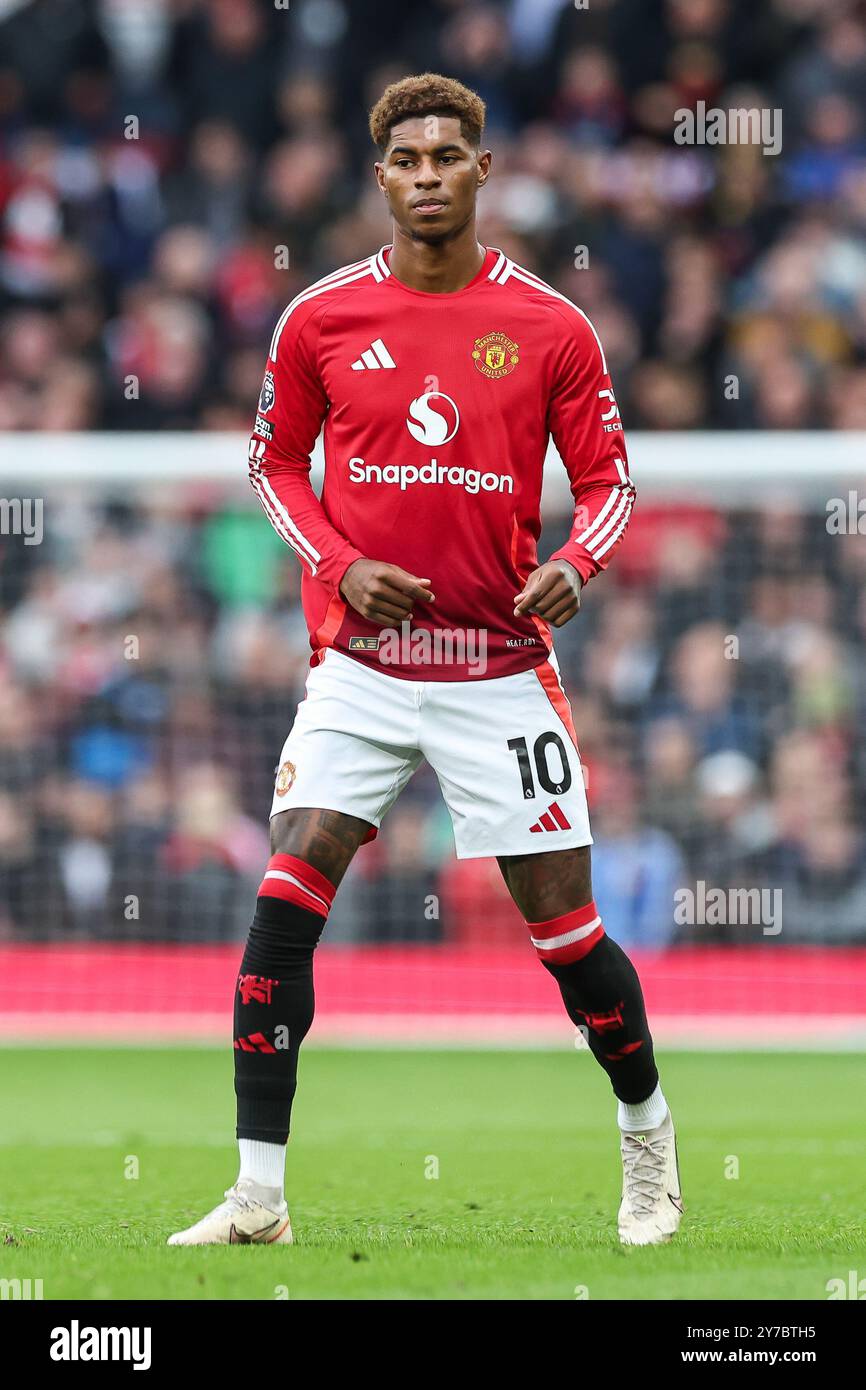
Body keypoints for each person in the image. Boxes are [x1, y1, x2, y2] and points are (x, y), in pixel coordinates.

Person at [168, 72, 681, 1249]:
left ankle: (646, 1136)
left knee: (567, 939)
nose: (428, 175)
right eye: (407, 160)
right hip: (361, 662)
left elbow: (610, 485)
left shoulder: (549, 324)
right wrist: (342, 565)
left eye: (449, 155)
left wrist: (578, 562)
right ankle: (258, 1196)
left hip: (496, 666)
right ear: (381, 176)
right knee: (284, 898)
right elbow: (271, 466)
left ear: (481, 172)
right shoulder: (319, 319)